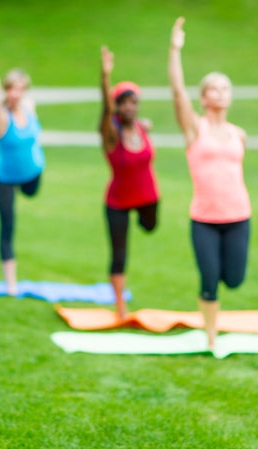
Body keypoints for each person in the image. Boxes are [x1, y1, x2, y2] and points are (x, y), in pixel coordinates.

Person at [168, 17, 252, 349]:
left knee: (234, 279)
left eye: (225, 87)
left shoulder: (239, 134)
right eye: (213, 88)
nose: (220, 92)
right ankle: (211, 336)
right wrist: (175, 50)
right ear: (203, 98)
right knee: (209, 280)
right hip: (204, 219)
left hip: (238, 218)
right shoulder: (194, 129)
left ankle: (215, 311)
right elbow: (177, 93)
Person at [0, 21, 45, 295]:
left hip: (33, 172)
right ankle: (10, 283)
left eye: (19, 88)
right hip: (5, 177)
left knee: (31, 193)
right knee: (8, 224)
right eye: (10, 88)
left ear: (25, 91)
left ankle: (30, 180)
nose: (14, 93)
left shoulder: (30, 106)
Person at [99, 46, 160, 319]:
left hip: (147, 197)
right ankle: (120, 305)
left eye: (132, 102)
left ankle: (145, 218)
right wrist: (106, 76)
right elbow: (105, 107)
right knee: (119, 252)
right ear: (116, 106)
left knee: (149, 227)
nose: (128, 107)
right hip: (118, 201)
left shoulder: (141, 127)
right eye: (122, 102)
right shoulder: (110, 133)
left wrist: (143, 126)